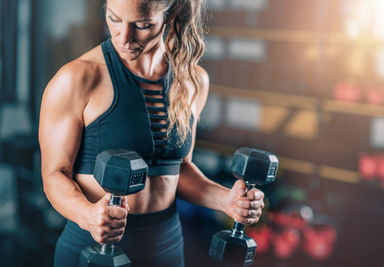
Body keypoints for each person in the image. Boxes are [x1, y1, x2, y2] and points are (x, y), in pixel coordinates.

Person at [39, 0, 265, 266]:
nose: (124, 37)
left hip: (166, 247)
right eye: (114, 18)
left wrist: (227, 200)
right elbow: (55, 174)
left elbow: (177, 169)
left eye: (143, 25)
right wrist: (87, 214)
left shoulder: (192, 81)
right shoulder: (77, 78)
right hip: (93, 249)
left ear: (172, 16)